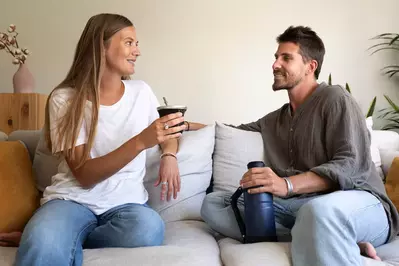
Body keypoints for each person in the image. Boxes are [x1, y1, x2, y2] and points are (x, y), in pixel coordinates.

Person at [190, 26, 399, 265]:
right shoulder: (276, 119)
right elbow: (232, 129)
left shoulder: (335, 98)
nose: (275, 64)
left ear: (311, 66)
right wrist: (185, 125)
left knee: (318, 213)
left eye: (286, 58)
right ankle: (333, 239)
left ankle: (328, 233)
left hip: (357, 201)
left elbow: (350, 165)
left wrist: (286, 185)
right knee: (214, 205)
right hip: (300, 207)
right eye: (276, 57)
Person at [11, 13, 187, 266]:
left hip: (127, 206)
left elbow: (166, 133)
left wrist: (169, 154)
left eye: (136, 44)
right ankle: (48, 235)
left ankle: (56, 237)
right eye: (129, 42)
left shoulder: (142, 92)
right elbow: (84, 175)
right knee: (44, 244)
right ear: (101, 47)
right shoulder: (65, 99)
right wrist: (140, 141)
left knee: (149, 228)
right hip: (72, 201)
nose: (137, 51)